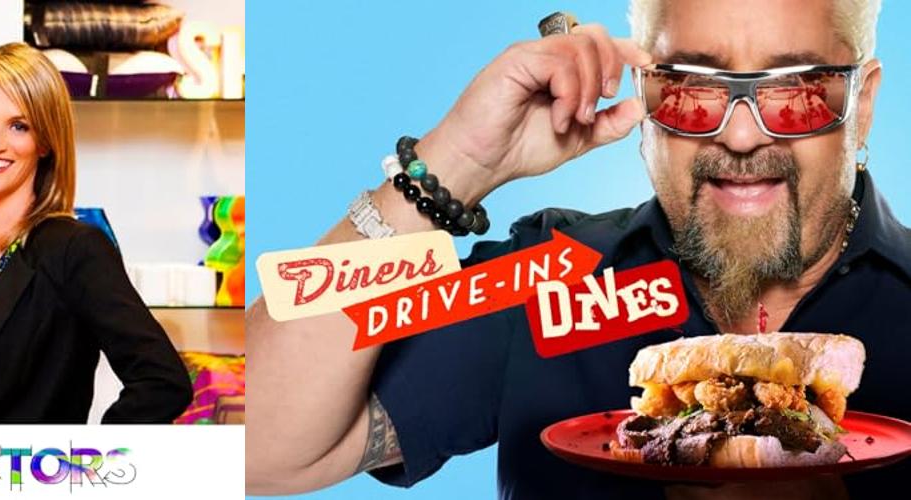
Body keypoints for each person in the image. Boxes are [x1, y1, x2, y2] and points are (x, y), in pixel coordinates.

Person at [246, 0, 898, 498]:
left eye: (797, 90)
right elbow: (251, 447)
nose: (743, 135)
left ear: (862, 105)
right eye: (691, 88)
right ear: (643, 98)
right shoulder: (552, 279)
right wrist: (454, 166)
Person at [0, 43, 192, 424]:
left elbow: (163, 381)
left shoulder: (73, 249)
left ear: (44, 141)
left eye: (19, 126)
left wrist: (83, 458)